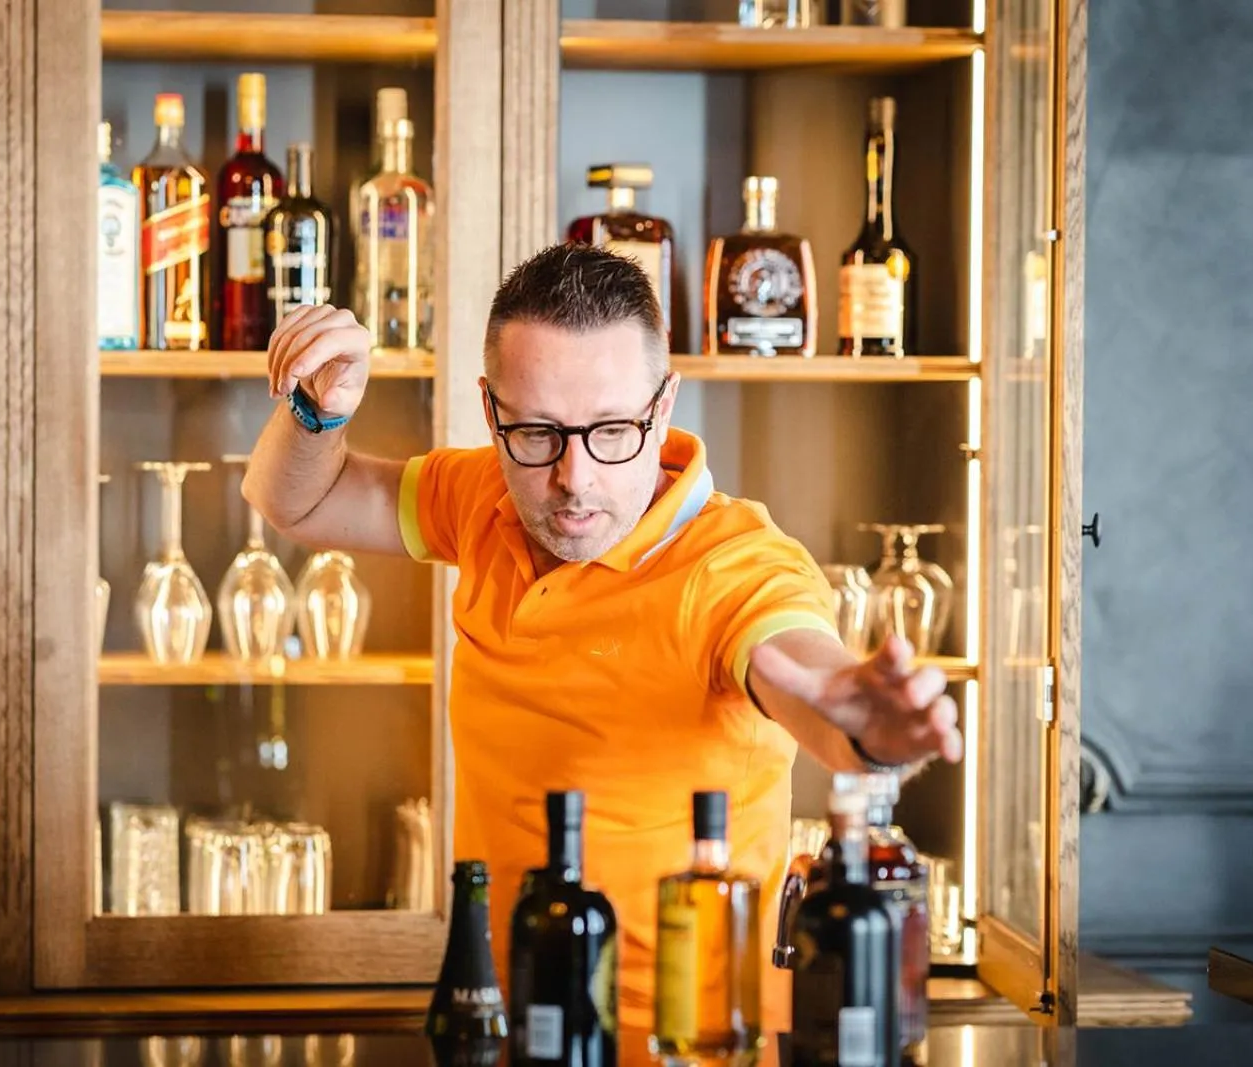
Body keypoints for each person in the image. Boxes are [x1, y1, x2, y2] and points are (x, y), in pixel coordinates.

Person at [242, 243, 962, 1037]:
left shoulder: (733, 563)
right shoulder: (484, 496)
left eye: (613, 429)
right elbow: (300, 503)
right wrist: (318, 409)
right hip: (506, 1028)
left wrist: (857, 719)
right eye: (540, 432)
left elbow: (798, 672)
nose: (574, 476)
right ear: (492, 411)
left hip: (687, 1049)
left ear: (664, 405)